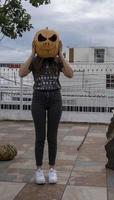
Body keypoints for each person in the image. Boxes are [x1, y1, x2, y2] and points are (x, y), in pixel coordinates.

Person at [19, 39, 73, 184]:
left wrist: (61, 54)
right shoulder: (35, 61)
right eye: (43, 40)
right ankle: (38, 169)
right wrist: (32, 52)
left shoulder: (57, 61)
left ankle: (52, 169)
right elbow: (21, 73)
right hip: (38, 99)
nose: (47, 42)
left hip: (55, 98)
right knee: (40, 136)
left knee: (52, 136)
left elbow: (70, 74)